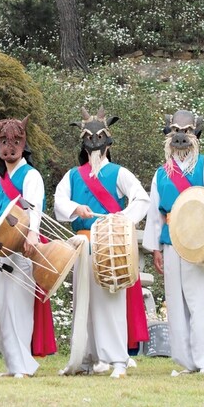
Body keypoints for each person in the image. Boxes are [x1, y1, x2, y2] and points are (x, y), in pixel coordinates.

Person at [142, 110, 204, 376]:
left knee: (202, 301)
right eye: (176, 130)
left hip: (201, 240)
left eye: (186, 131)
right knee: (176, 303)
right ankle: (185, 362)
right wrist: (155, 248)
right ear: (169, 136)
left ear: (195, 135)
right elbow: (155, 213)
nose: (181, 137)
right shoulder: (161, 173)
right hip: (171, 240)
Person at [54, 108, 149, 378]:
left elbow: (142, 200)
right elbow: (59, 202)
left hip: (110, 246)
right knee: (83, 304)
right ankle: (86, 358)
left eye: (99, 138)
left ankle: (117, 360)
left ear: (107, 143)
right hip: (82, 245)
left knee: (110, 302)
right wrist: (76, 208)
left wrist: (119, 222)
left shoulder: (119, 173)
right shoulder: (73, 175)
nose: (95, 144)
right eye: (90, 139)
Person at [0, 115, 45, 378]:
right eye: (3, 142)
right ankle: (12, 366)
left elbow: (33, 207)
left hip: (22, 249)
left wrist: (33, 233)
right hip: (1, 251)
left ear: (23, 144)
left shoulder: (31, 175)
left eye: (15, 141)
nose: (9, 147)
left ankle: (23, 366)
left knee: (17, 308)